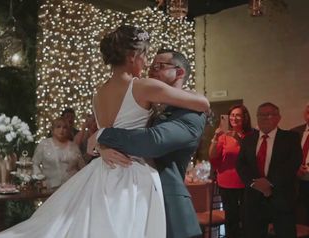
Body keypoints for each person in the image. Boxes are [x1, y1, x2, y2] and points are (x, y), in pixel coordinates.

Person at [0, 25, 209, 238]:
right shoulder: (143, 86)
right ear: (133, 56)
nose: (147, 63)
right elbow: (202, 103)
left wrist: (101, 141)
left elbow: (105, 130)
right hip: (132, 173)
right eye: (145, 56)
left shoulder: (98, 93)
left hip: (102, 170)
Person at [95, 49, 207, 238]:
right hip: (131, 196)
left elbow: (152, 142)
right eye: (151, 66)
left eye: (159, 66)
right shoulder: (148, 105)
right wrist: (102, 147)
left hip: (168, 201)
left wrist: (103, 134)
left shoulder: (191, 113)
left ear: (179, 72)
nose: (151, 70)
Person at [236, 102, 302, 238]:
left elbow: (293, 164)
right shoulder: (248, 139)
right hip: (253, 199)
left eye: (269, 115)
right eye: (261, 115)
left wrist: (269, 182)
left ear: (279, 118)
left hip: (281, 198)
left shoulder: (291, 138)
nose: (265, 118)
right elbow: (241, 164)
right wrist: (254, 183)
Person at [209, 104, 253, 238]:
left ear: (245, 118)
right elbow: (212, 155)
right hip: (226, 182)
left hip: (246, 182)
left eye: (238, 115)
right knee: (231, 218)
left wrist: (238, 138)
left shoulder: (252, 135)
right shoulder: (224, 136)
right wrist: (216, 138)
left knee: (247, 217)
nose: (234, 118)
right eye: (232, 115)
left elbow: (253, 156)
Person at [32, 117, 85, 189]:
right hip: (50, 187)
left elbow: (82, 167)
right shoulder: (44, 144)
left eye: (64, 127)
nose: (61, 130)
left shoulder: (73, 146)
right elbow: (35, 163)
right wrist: (40, 178)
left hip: (73, 187)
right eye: (58, 127)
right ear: (53, 129)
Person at [291, 102, 309, 224]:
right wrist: (294, 168)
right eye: (308, 111)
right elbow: (286, 158)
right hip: (297, 184)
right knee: (300, 221)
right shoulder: (294, 133)